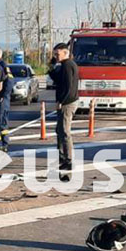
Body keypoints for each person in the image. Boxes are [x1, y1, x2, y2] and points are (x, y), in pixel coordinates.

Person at [48, 43, 79, 172]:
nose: (56, 56)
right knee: (59, 130)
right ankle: (62, 157)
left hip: (67, 102)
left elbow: (68, 86)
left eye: (58, 54)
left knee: (65, 132)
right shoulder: (65, 65)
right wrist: (51, 67)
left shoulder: (67, 65)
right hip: (67, 101)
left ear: (65, 52)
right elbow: (57, 79)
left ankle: (68, 160)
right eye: (55, 54)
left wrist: (61, 101)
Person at [0, 48, 14, 150]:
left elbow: (10, 81)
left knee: (2, 122)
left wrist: (3, 95)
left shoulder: (3, 66)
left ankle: (4, 144)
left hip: (3, 99)